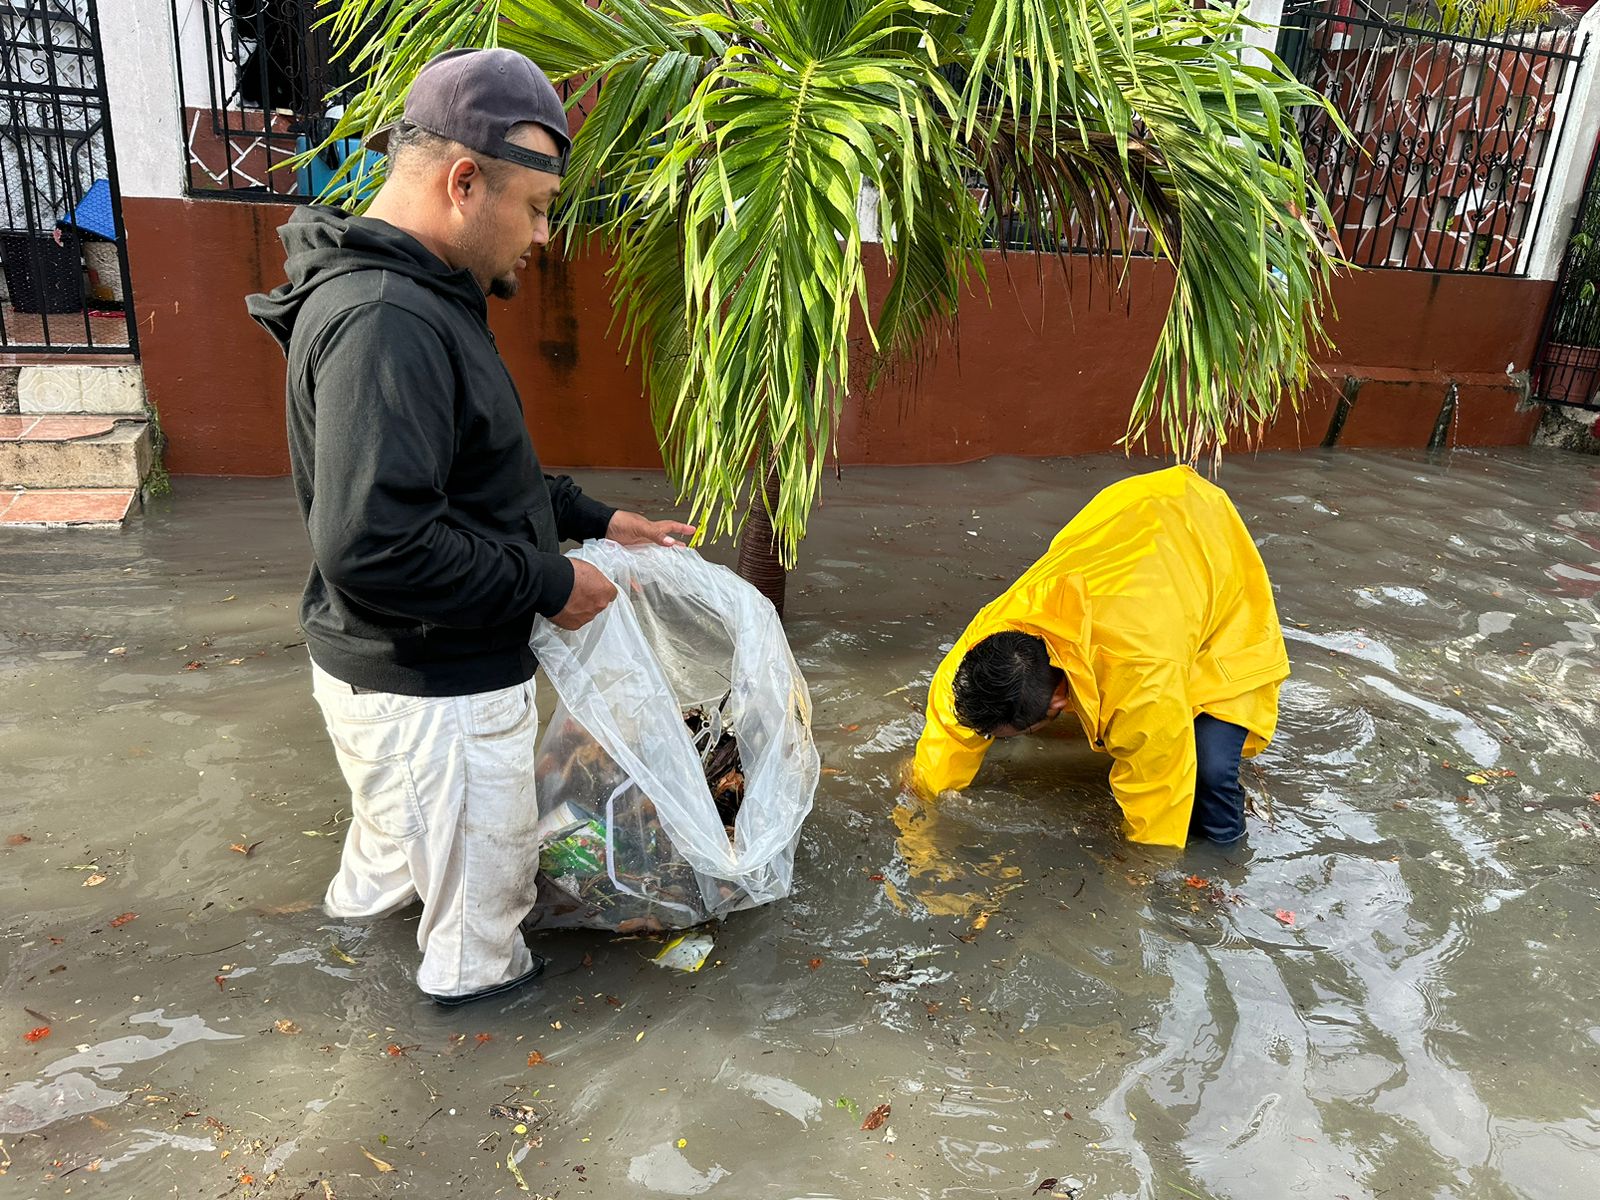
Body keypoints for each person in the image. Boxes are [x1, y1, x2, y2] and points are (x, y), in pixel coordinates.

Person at [246, 48, 693, 1005]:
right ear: (462, 182)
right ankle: (463, 1083)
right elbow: (375, 543)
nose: (541, 235)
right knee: (482, 950)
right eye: (534, 208)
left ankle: (344, 990)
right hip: (433, 693)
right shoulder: (385, 318)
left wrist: (596, 518)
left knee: (388, 876)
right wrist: (547, 582)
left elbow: (471, 471)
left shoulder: (422, 298)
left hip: (392, 679)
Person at [909, 465, 1288, 848]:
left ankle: (1229, 852)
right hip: (1126, 511)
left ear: (1059, 698)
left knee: (1207, 770)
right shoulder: (984, 644)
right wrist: (919, 827)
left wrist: (1141, 878)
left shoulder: (1142, 679)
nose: (985, 738)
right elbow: (943, 747)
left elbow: (1158, 794)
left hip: (1207, 534)